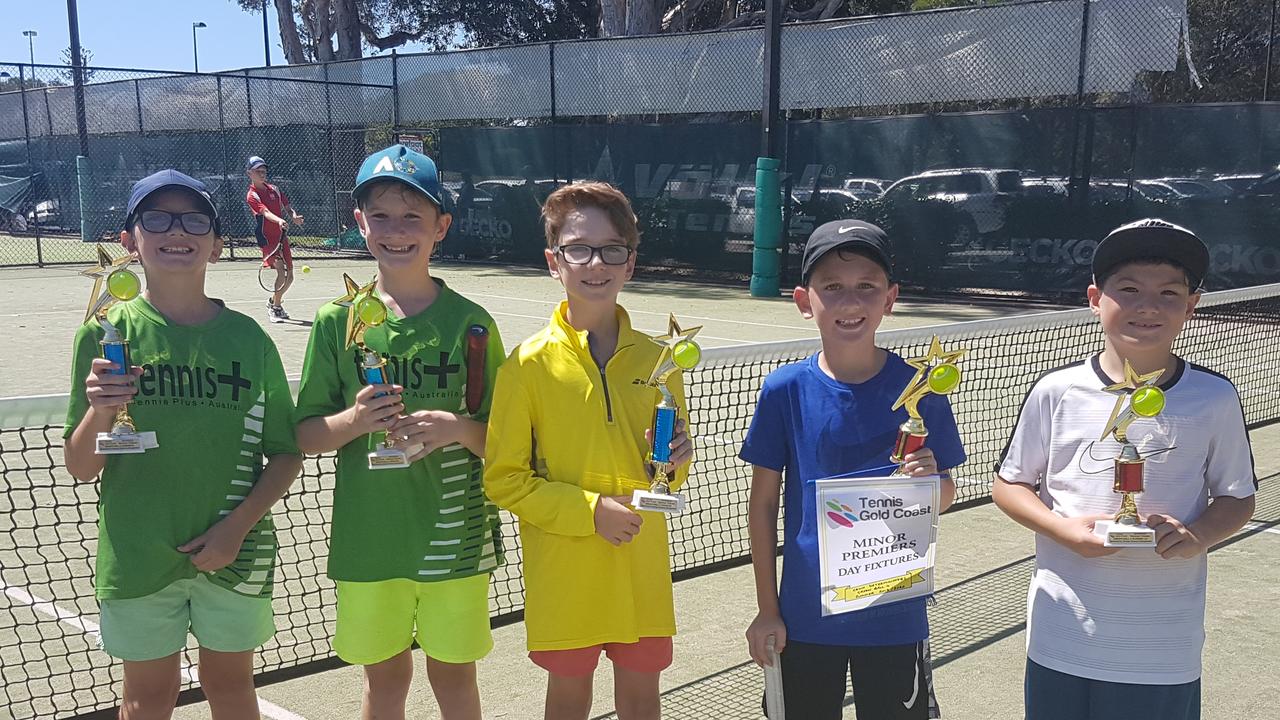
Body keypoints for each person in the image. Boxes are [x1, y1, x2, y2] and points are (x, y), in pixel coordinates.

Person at [992, 218, 1256, 720]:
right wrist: (1060, 529)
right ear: (1095, 298)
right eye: (1128, 290)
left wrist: (1198, 535)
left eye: (1168, 293)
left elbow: (1237, 496)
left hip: (1161, 648)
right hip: (1061, 635)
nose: (1147, 306)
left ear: (1191, 306)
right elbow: (1010, 484)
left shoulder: (1215, 396)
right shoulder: (1057, 390)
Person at [64, 169, 302, 717]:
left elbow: (285, 450)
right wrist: (102, 410)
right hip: (139, 555)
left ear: (218, 245)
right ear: (130, 242)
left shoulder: (248, 338)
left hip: (236, 555)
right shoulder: (103, 333)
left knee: (233, 688)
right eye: (157, 218)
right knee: (147, 698)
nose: (178, 230)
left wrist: (236, 527)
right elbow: (81, 467)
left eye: (195, 220)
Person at [294, 145, 505, 720]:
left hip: (453, 540)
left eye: (413, 217)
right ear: (358, 222)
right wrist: (354, 421)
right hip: (371, 542)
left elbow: (509, 442)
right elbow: (307, 435)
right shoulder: (336, 322)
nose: (396, 231)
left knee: (455, 681)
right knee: (384, 683)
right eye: (380, 216)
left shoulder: (473, 324)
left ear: (441, 227)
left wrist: (457, 428)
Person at [484, 181, 694, 720]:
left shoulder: (660, 360)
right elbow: (504, 479)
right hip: (566, 574)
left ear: (630, 263)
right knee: (569, 703)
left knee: (643, 703)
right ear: (555, 262)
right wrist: (589, 512)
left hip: (640, 569)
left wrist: (676, 460)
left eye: (611, 249)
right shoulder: (525, 367)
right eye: (579, 248)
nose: (595, 262)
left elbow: (672, 469)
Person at [740, 220, 964, 720]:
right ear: (804, 300)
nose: (850, 302)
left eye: (867, 287)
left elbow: (946, 493)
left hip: (895, 619)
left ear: (890, 298)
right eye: (832, 287)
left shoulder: (924, 390)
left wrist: (929, 485)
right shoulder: (784, 390)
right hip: (804, 620)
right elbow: (762, 507)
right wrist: (767, 608)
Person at [245, 156, 304, 322]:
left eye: (264, 171)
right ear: (249, 173)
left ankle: (274, 303)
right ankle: (275, 309)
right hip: (267, 239)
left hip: (282, 237)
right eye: (258, 171)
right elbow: (264, 212)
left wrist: (293, 216)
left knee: (290, 276)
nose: (262, 174)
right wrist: (279, 220)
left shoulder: (274, 190)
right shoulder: (252, 195)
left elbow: (287, 205)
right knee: (280, 271)